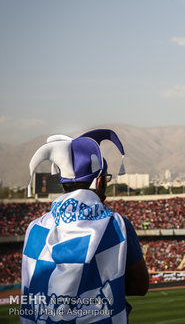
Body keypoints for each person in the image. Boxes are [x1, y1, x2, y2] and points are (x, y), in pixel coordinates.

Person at [21, 129, 148, 323]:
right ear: (99, 182)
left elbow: (33, 289)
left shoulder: (34, 228)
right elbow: (140, 286)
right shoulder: (117, 225)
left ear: (64, 185)